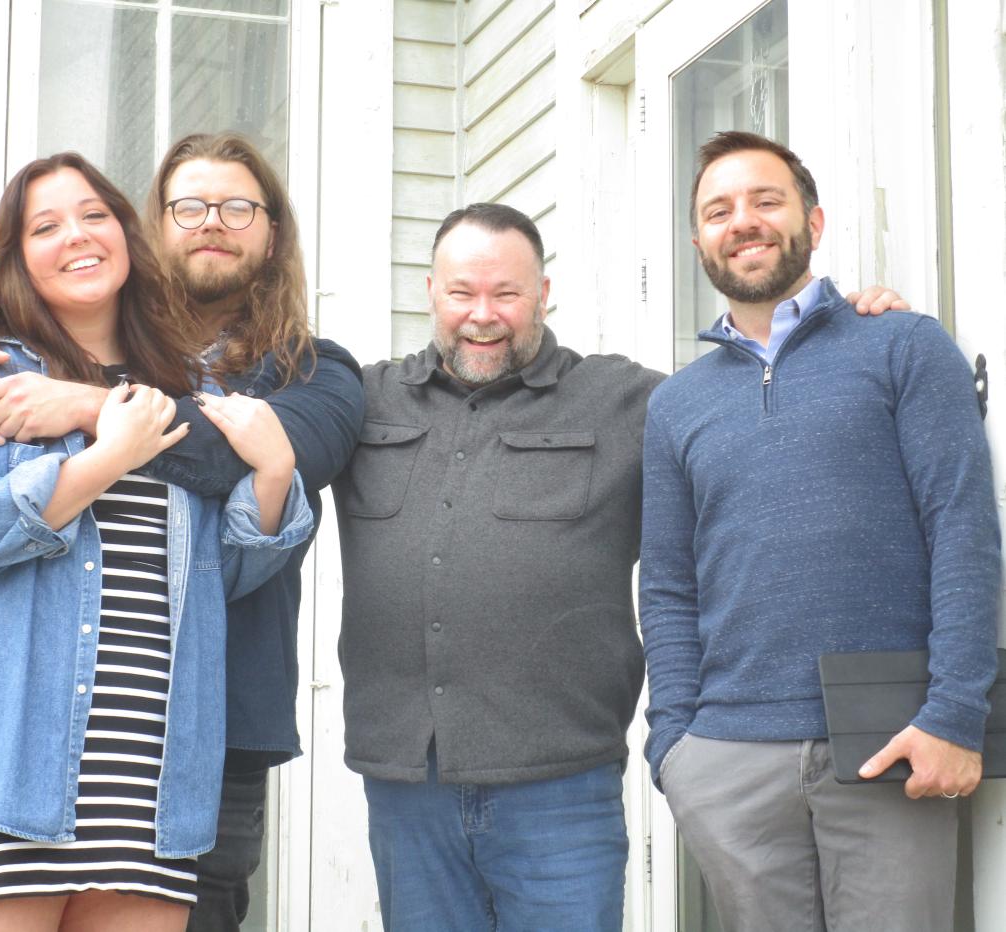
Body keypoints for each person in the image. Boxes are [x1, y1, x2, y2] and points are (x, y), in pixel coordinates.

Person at [332, 201, 912, 932]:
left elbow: (757, 401)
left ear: (544, 293)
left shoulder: (626, 400)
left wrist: (848, 333)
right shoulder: (362, 400)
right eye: (462, 294)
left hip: (560, 790)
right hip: (406, 785)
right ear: (430, 293)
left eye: (507, 294)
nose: (483, 315)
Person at [0, 134, 363, 930]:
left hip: (149, 774)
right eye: (45, 227)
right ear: (15, 259)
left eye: (93, 215)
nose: (75, 236)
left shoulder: (205, 388)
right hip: (0, 764)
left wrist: (271, 475)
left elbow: (227, 570)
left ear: (125, 240)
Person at [639, 131, 1001, 932]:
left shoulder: (903, 345)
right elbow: (667, 583)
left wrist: (952, 714)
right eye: (719, 210)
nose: (745, 221)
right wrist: (675, 747)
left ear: (814, 218)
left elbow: (963, 533)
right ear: (698, 239)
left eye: (766, 201)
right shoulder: (676, 405)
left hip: (888, 746)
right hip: (727, 760)